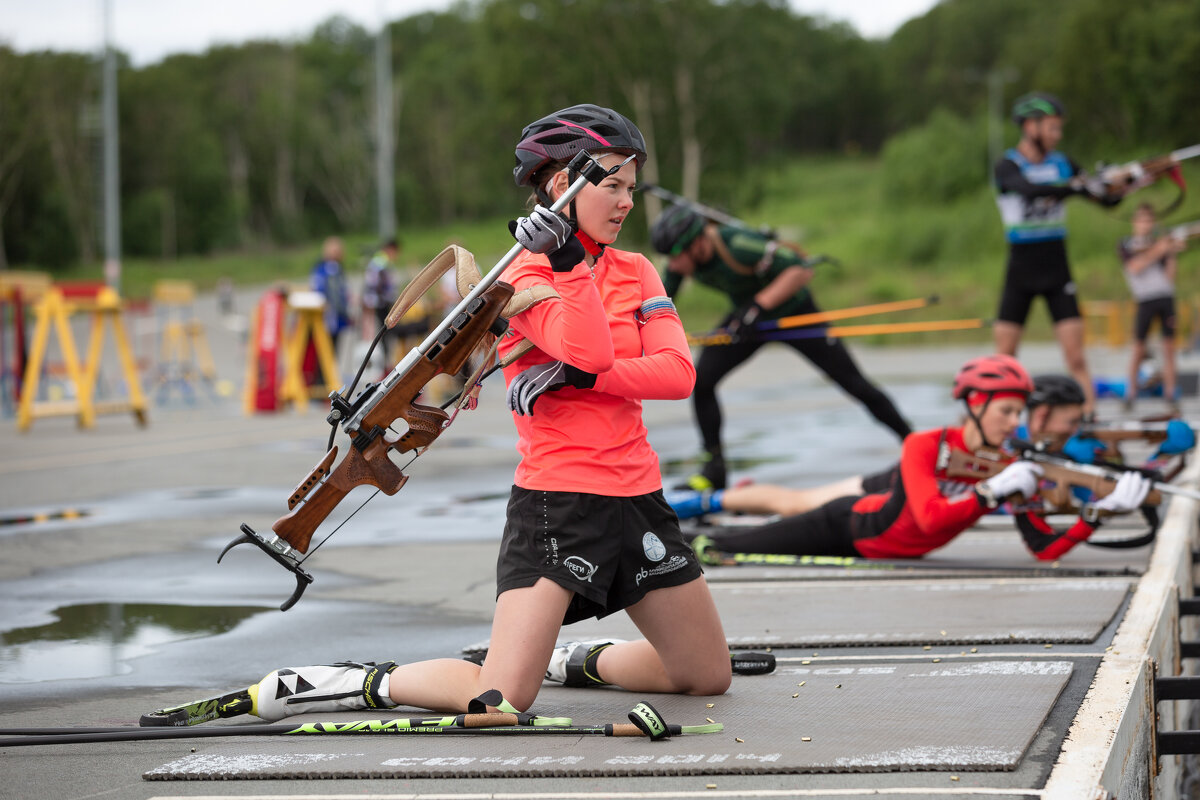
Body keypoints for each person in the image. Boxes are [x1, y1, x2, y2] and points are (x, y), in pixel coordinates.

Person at [239, 104, 731, 723]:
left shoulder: (636, 270)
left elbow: (676, 373)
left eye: (630, 187)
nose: (627, 201)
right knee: (498, 703)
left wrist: (580, 377)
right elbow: (593, 348)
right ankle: (350, 680)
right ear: (562, 185)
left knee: (706, 674)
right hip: (561, 502)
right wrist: (571, 275)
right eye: (611, 184)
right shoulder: (520, 276)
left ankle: (578, 659)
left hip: (638, 495)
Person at [690, 355, 1152, 562]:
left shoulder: (1012, 465)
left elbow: (1044, 550)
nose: (1015, 422)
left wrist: (1096, 514)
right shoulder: (926, 445)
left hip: (883, 550)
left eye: (1019, 412)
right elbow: (930, 520)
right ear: (974, 403)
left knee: (750, 536)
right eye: (1006, 410)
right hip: (847, 525)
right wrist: (995, 492)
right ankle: (682, 519)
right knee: (729, 547)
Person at [650, 204, 912, 492]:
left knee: (854, 383)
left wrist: (759, 306)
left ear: (697, 243)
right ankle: (715, 472)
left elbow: (800, 270)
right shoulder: (683, 261)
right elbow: (661, 301)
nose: (672, 265)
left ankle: (913, 446)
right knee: (702, 382)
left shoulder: (737, 244)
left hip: (794, 313)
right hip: (749, 322)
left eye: (675, 256)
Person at [992, 92, 1123, 415]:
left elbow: (1105, 200)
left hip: (1057, 269)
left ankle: (1089, 417)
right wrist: (1076, 188)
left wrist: (1120, 184)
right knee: (1005, 356)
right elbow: (1028, 190)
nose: (1057, 136)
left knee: (1076, 355)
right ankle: (995, 419)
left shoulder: (1062, 163)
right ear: (1031, 127)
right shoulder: (1007, 165)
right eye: (1052, 128)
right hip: (1020, 271)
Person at [1119, 203, 1186, 413]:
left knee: (1169, 348)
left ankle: (1170, 392)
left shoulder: (1159, 244)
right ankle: (1130, 392)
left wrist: (1172, 252)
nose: (1145, 224)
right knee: (1138, 348)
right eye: (1142, 219)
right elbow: (1135, 267)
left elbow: (1170, 276)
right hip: (1144, 299)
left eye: (1149, 220)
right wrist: (1160, 249)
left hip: (1165, 297)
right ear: (1135, 222)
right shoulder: (1127, 244)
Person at [309, 236, 353, 354]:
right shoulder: (330, 269)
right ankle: (325, 372)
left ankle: (327, 372)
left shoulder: (326, 268)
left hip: (332, 316)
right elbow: (329, 292)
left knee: (329, 350)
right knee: (327, 350)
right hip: (329, 316)